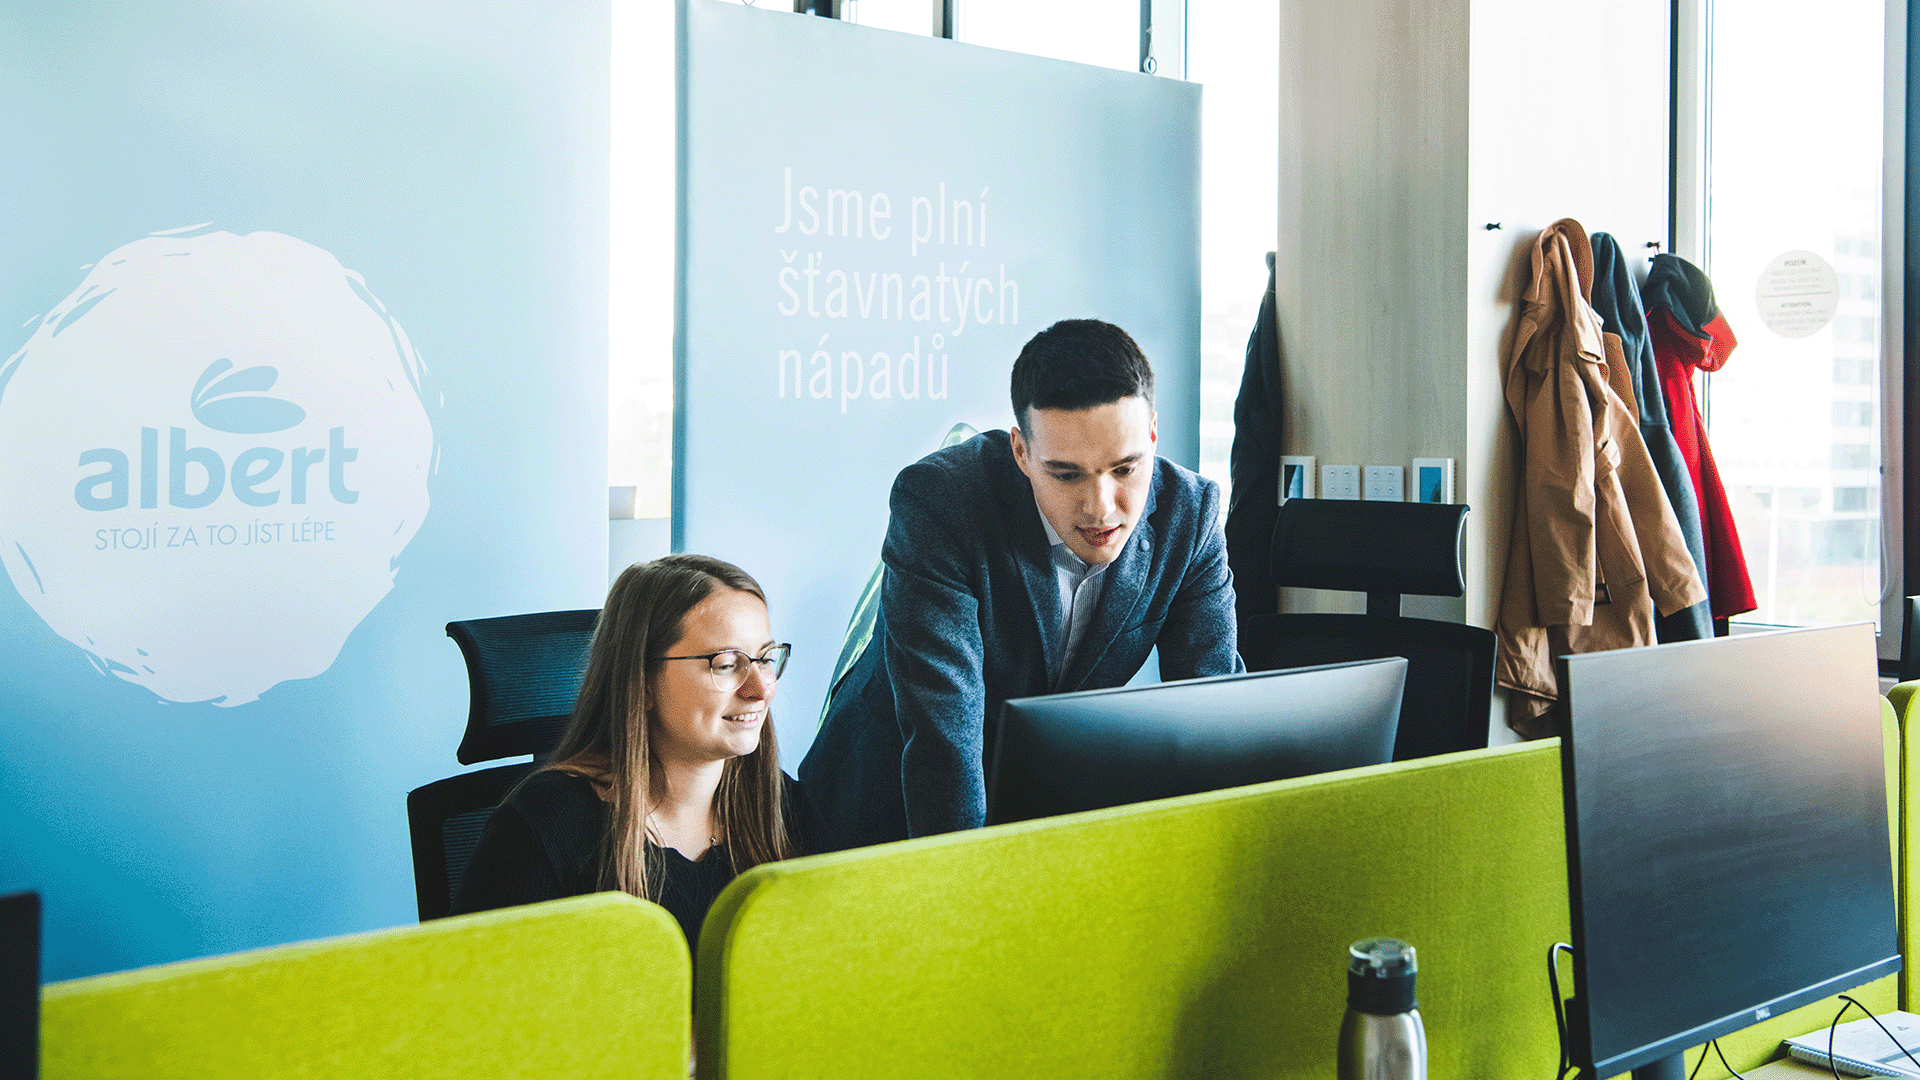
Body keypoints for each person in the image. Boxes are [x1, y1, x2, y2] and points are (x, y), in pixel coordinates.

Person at [800, 318, 1242, 852]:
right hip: (885, 809)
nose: (1100, 507)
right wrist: (970, 883)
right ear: (1021, 452)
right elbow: (944, 738)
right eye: (1067, 475)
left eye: (1125, 469)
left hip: (1034, 806)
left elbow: (1214, 717)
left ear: (1152, 433)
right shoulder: (942, 503)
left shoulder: (1190, 515)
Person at [450, 554, 805, 957]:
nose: (761, 689)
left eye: (766, 659)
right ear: (642, 681)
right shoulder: (544, 828)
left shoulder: (779, 804)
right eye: (726, 665)